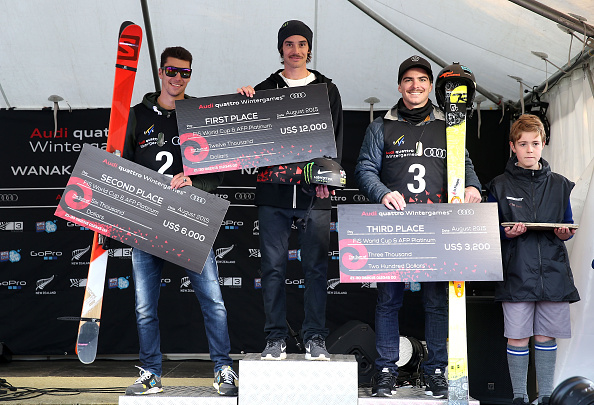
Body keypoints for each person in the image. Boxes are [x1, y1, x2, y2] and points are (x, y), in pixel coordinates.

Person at [354, 55, 482, 397]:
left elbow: (465, 165)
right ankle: (385, 370)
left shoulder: (449, 125)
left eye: (422, 80)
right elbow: (364, 169)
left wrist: (473, 187)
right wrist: (382, 193)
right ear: (399, 86)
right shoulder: (381, 126)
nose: (415, 86)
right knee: (388, 301)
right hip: (395, 227)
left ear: (431, 86)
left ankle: (436, 370)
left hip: (438, 227)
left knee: (437, 302)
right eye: (408, 80)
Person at [122, 46, 238, 396]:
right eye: (172, 71)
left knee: (213, 300)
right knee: (145, 307)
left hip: (191, 218)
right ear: (160, 72)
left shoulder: (199, 112)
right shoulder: (136, 115)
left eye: (185, 73)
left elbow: (217, 172)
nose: (177, 78)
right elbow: (121, 167)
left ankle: (223, 370)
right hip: (146, 221)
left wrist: (194, 180)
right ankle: (150, 374)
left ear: (191, 76)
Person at [237, 20, 343, 361]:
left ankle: (315, 338)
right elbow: (247, 138)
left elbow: (336, 140)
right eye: (289, 44)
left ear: (309, 49)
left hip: (315, 194)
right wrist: (243, 105)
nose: (295, 50)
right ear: (281, 49)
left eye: (301, 44)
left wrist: (328, 180)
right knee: (273, 268)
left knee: (316, 269)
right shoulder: (264, 88)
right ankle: (274, 339)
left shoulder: (328, 89)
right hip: (274, 193)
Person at [486, 114, 580, 405]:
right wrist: (508, 234)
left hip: (553, 273)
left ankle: (547, 397)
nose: (530, 149)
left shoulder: (561, 185)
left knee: (546, 337)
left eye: (535, 143)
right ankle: (519, 398)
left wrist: (565, 233)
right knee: (517, 337)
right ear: (513, 146)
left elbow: (568, 225)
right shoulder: (498, 186)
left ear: (543, 144)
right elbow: (489, 232)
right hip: (516, 272)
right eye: (523, 143)